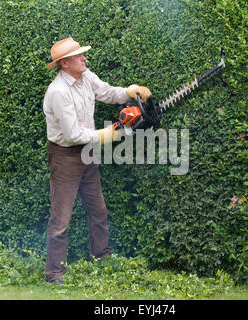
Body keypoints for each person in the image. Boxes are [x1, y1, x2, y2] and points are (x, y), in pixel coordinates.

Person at [43, 37, 151, 284]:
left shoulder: (85, 76)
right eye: (79, 56)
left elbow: (105, 92)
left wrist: (127, 92)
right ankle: (54, 273)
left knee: (98, 209)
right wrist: (107, 134)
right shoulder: (58, 92)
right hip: (65, 155)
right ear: (65, 63)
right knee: (61, 218)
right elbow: (72, 135)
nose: (84, 58)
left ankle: (101, 258)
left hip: (88, 153)